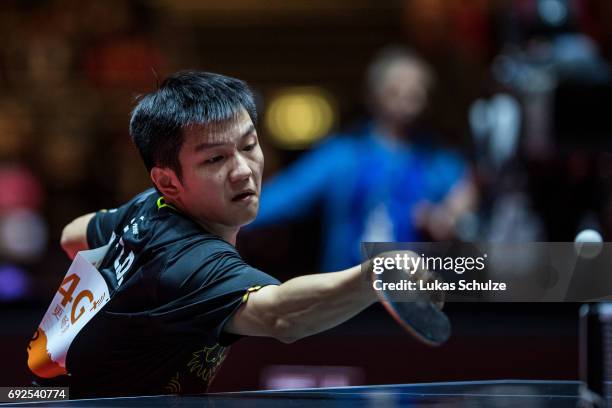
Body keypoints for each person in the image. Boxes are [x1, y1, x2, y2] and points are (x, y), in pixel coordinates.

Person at [29, 71, 384, 398]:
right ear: (168, 181)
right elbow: (283, 317)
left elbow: (72, 235)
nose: (244, 171)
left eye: (248, 146)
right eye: (215, 159)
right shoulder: (186, 261)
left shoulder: (148, 207)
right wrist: (380, 276)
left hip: (43, 398)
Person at [252, 47, 476, 271]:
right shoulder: (344, 155)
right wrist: (227, 217)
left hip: (412, 291)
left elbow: (467, 206)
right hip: (348, 287)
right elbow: (285, 195)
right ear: (374, 94)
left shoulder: (439, 161)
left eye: (417, 92)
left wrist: (449, 218)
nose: (408, 101)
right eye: (396, 91)